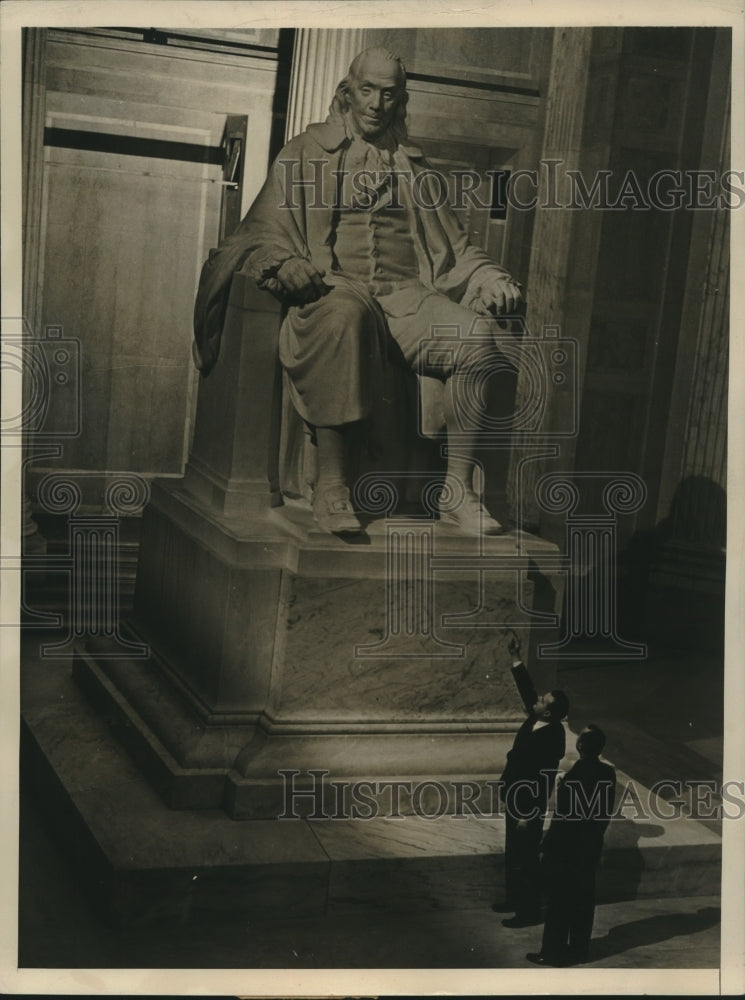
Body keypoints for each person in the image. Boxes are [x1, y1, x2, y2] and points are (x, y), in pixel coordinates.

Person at [193, 46, 523, 536]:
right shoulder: (304, 153)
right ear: (347, 92)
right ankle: (331, 485)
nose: (376, 104)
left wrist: (489, 277)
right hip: (337, 288)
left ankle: (457, 489)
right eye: (367, 90)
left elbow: (455, 249)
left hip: (408, 299)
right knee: (343, 318)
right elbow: (256, 233)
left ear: (400, 101)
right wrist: (282, 262)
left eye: (389, 95)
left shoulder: (415, 168)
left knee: (476, 337)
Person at [526, 724, 616, 967]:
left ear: (579, 746)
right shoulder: (608, 773)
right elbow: (603, 814)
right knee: (583, 901)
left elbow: (563, 817)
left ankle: (552, 952)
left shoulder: (574, 775)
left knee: (559, 902)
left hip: (566, 849)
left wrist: (547, 843)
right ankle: (579, 949)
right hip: (590, 846)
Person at [494, 634, 568, 928]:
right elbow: (528, 690)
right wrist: (515, 656)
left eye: (542, 701)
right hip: (515, 797)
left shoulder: (553, 735)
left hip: (528, 806)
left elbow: (543, 780)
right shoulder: (537, 718)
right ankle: (514, 900)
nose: (536, 700)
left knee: (526, 859)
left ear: (547, 712)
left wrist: (529, 812)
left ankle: (529, 912)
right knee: (514, 853)